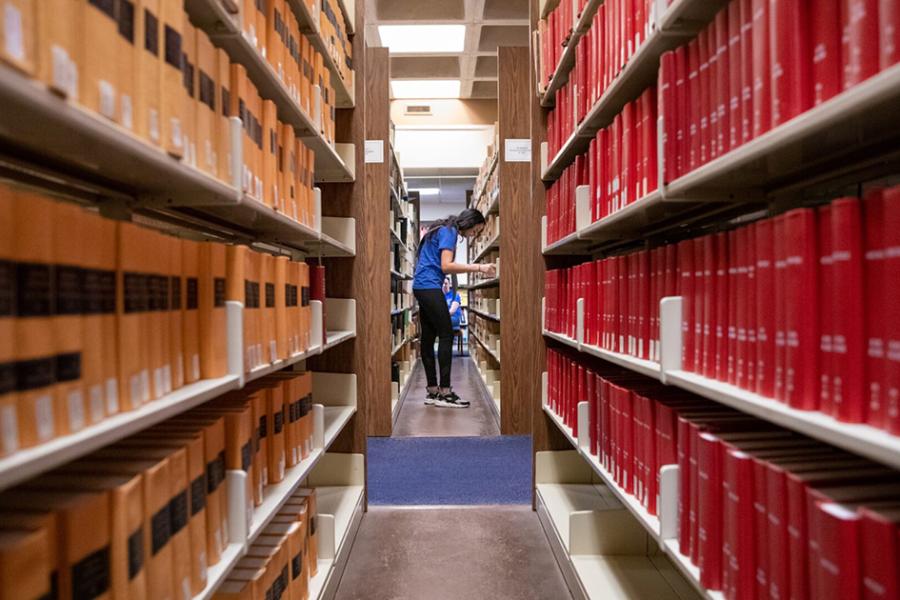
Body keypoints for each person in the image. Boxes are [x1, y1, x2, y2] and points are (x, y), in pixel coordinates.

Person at [414, 208, 496, 408]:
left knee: (428, 337)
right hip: (430, 286)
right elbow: (446, 266)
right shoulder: (449, 231)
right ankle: (445, 392)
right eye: (475, 230)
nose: (473, 235)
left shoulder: (441, 228)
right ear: (468, 223)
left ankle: (432, 391)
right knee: (446, 334)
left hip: (421, 286)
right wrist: (479, 267)